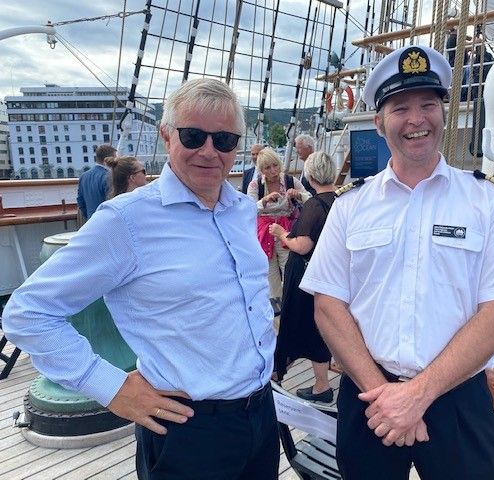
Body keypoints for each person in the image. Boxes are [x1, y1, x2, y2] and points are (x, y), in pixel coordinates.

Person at [3, 78, 279, 480]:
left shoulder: (240, 210)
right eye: (193, 135)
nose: (208, 150)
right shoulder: (127, 220)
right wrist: (111, 387)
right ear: (167, 136)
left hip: (260, 413)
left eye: (223, 139)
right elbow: (26, 313)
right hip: (189, 427)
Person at [299, 45, 494, 479]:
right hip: (369, 398)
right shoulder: (350, 206)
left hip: (456, 399)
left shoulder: (487, 203)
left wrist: (417, 395)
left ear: (442, 113)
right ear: (379, 122)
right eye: (400, 108)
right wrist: (386, 396)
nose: (416, 119)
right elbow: (328, 306)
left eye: (428, 104)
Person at [269, 151, 336, 402]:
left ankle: (320, 386)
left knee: (305, 328)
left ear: (310, 176)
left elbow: (302, 245)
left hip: (307, 277)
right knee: (326, 328)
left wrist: (281, 234)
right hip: (330, 275)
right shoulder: (341, 199)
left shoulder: (315, 205)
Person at [248, 148, 310, 300]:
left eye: (275, 165)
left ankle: (291, 304)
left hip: (286, 231)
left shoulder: (290, 181)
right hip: (264, 233)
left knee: (289, 270)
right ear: (261, 169)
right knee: (270, 274)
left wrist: (298, 195)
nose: (273, 170)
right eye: (267, 168)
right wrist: (264, 200)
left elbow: (309, 198)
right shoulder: (256, 185)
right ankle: (276, 311)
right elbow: (248, 209)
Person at [77, 143, 116, 220]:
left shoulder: (84, 176)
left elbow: (80, 201)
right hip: (107, 221)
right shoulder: (109, 177)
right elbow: (113, 203)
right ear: (109, 159)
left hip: (91, 220)